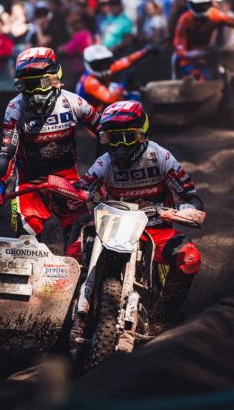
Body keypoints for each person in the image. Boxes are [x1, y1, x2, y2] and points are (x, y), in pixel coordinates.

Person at [69, 101, 205, 338]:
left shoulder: (160, 156)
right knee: (73, 253)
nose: (120, 146)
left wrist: (187, 210)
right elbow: (81, 189)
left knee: (189, 258)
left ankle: (160, 318)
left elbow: (190, 195)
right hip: (112, 226)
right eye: (113, 139)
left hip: (155, 229)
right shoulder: (104, 162)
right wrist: (75, 194)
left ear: (143, 133)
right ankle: (66, 309)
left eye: (127, 137)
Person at [0, 47, 100, 244]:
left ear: (55, 78)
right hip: (29, 181)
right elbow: (7, 151)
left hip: (67, 178)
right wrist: (0, 185)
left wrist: (103, 175)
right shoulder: (15, 108)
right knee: (24, 232)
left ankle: (76, 261)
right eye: (28, 85)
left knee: (81, 231)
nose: (36, 92)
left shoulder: (74, 102)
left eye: (41, 83)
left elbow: (105, 132)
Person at [76, 43, 157, 112]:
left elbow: (127, 60)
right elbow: (111, 98)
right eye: (99, 64)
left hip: (99, 106)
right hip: (91, 118)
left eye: (106, 62)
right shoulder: (90, 82)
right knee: (130, 97)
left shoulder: (105, 69)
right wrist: (123, 83)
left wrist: (144, 51)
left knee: (127, 92)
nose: (103, 66)